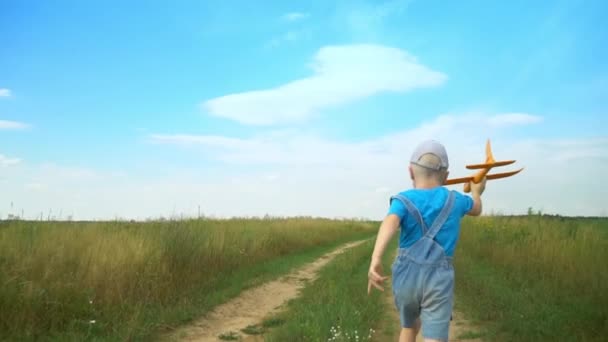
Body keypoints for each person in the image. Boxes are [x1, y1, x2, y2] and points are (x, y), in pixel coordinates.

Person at [367, 140, 486, 342]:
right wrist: (476, 190)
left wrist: (376, 258)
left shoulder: (403, 199)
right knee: (435, 337)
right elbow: (476, 208)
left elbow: (390, 221)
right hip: (438, 280)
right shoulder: (455, 199)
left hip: (406, 278)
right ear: (447, 176)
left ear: (410, 172)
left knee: (409, 328)